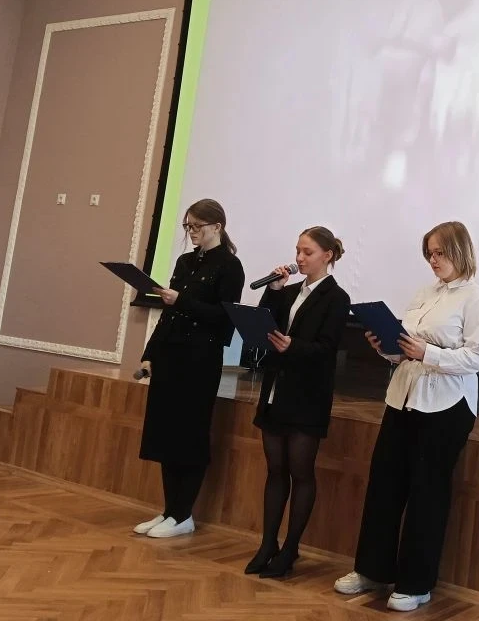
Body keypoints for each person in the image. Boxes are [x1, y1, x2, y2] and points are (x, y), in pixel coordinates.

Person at [334, 221, 479, 612]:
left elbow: (476, 358)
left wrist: (428, 353)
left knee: (427, 494)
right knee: (384, 486)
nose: (433, 260)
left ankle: (416, 584)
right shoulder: (425, 293)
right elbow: (404, 349)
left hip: (446, 406)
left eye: (440, 253)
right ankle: (372, 569)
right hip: (403, 398)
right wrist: (385, 346)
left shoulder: (476, 299)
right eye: (429, 254)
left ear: (459, 251)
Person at [134, 199, 245, 538]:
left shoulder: (230, 266)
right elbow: (168, 314)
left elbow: (224, 317)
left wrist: (181, 300)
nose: (191, 232)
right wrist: (149, 353)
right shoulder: (185, 261)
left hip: (199, 360)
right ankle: (170, 511)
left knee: (189, 434)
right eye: (188, 226)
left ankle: (184, 514)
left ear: (217, 226)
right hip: (170, 354)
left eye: (197, 226)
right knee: (166, 434)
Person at [244, 226, 351, 578]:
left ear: (327, 255)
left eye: (307, 252)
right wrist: (273, 291)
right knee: (275, 470)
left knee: (300, 471)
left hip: (307, 396)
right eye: (298, 251)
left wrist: (294, 347)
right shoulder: (289, 291)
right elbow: (263, 326)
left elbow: (327, 349)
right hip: (277, 390)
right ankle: (267, 544)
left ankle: (291, 548)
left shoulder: (337, 298)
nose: (299, 258)